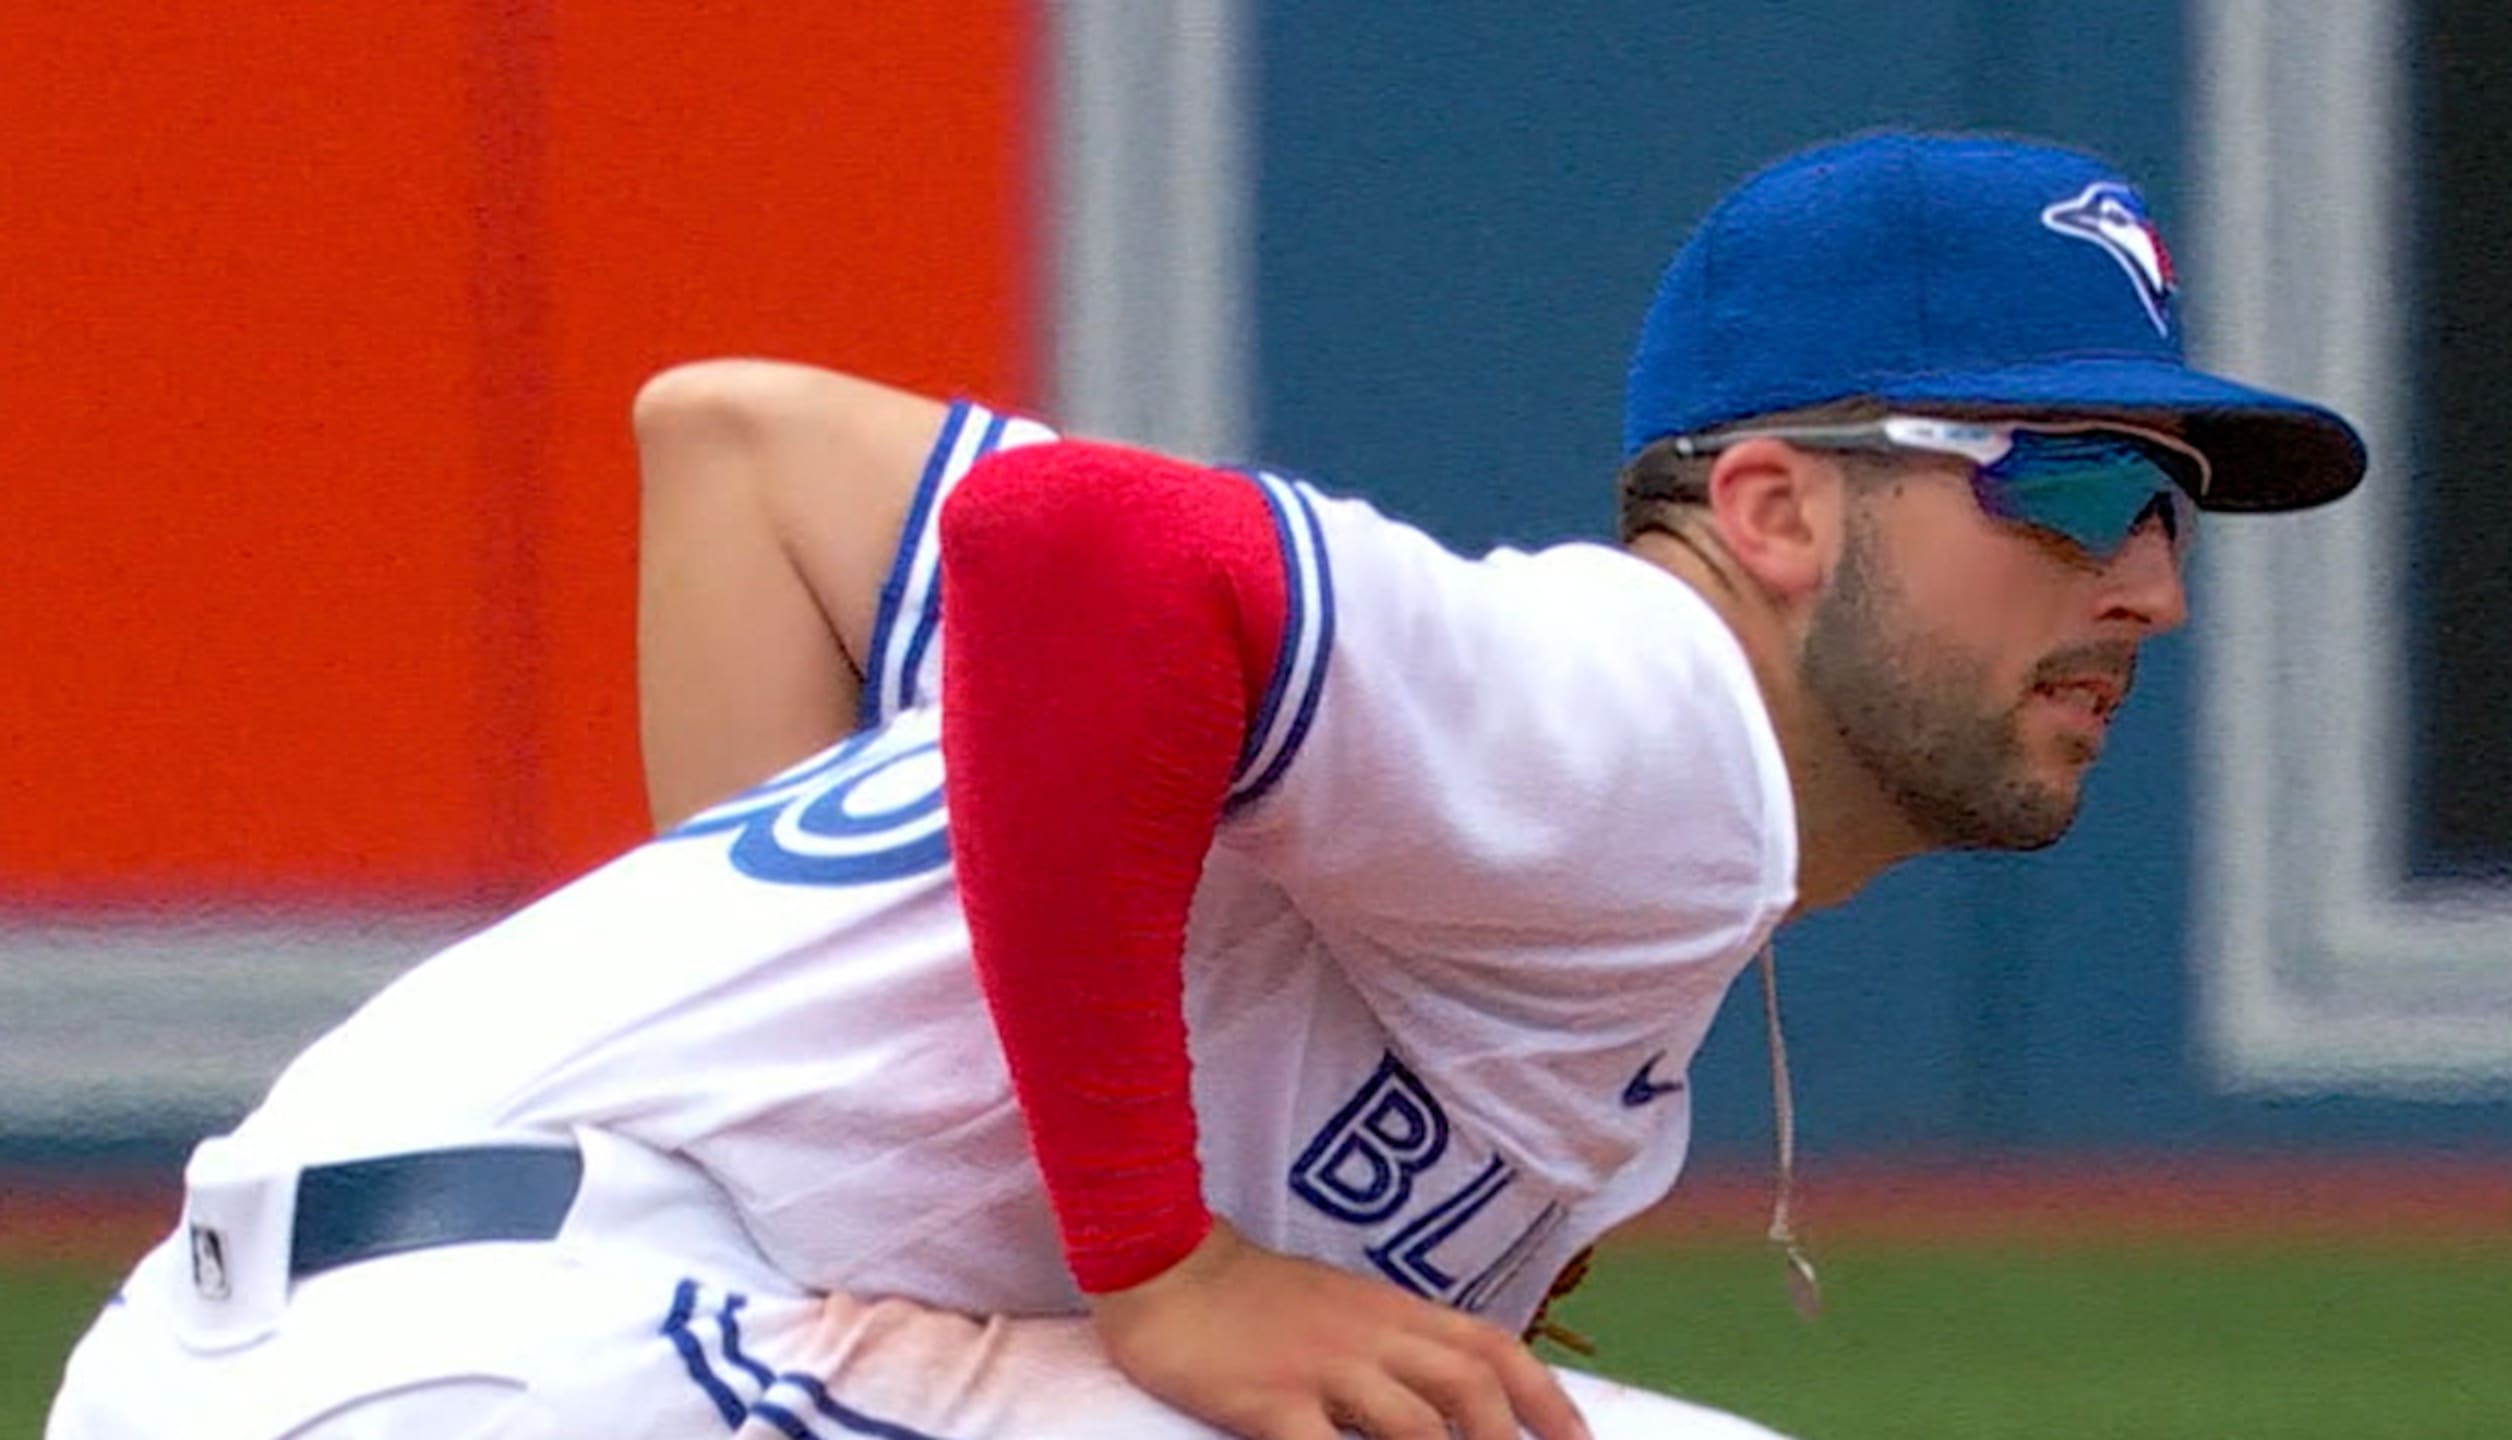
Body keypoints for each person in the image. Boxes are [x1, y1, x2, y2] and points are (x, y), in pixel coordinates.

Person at [47, 129, 2363, 1440]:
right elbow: (1085, 550)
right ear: (1765, 510)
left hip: (307, 1345)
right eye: (2068, 482)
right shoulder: (1644, 715)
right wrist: (1156, 1265)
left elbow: (738, 448)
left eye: (2172, 503)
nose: (2147, 581)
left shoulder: (1532, 811)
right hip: (538, 1356)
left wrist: (849, 1064)